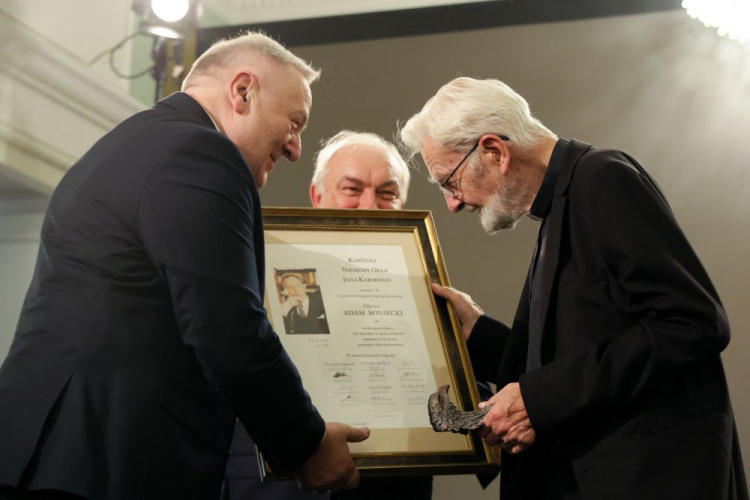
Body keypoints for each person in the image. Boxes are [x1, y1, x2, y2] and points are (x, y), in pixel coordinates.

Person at [0, 32, 370, 500]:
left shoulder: (139, 143)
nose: (296, 148)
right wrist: (307, 445)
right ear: (242, 92)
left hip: (62, 454)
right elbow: (228, 329)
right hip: (99, 460)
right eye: (295, 122)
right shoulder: (200, 154)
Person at [399, 77, 748, 500]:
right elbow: (574, 354)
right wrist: (477, 333)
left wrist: (538, 399)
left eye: (448, 182)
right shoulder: (561, 205)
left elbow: (692, 322)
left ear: (494, 151)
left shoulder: (603, 180)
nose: (453, 203)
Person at [223, 131, 435, 500]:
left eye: (387, 194)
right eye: (352, 190)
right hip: (284, 484)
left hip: (392, 484)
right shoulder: (260, 269)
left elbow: (450, 384)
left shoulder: (425, 293)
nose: (370, 206)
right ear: (316, 196)